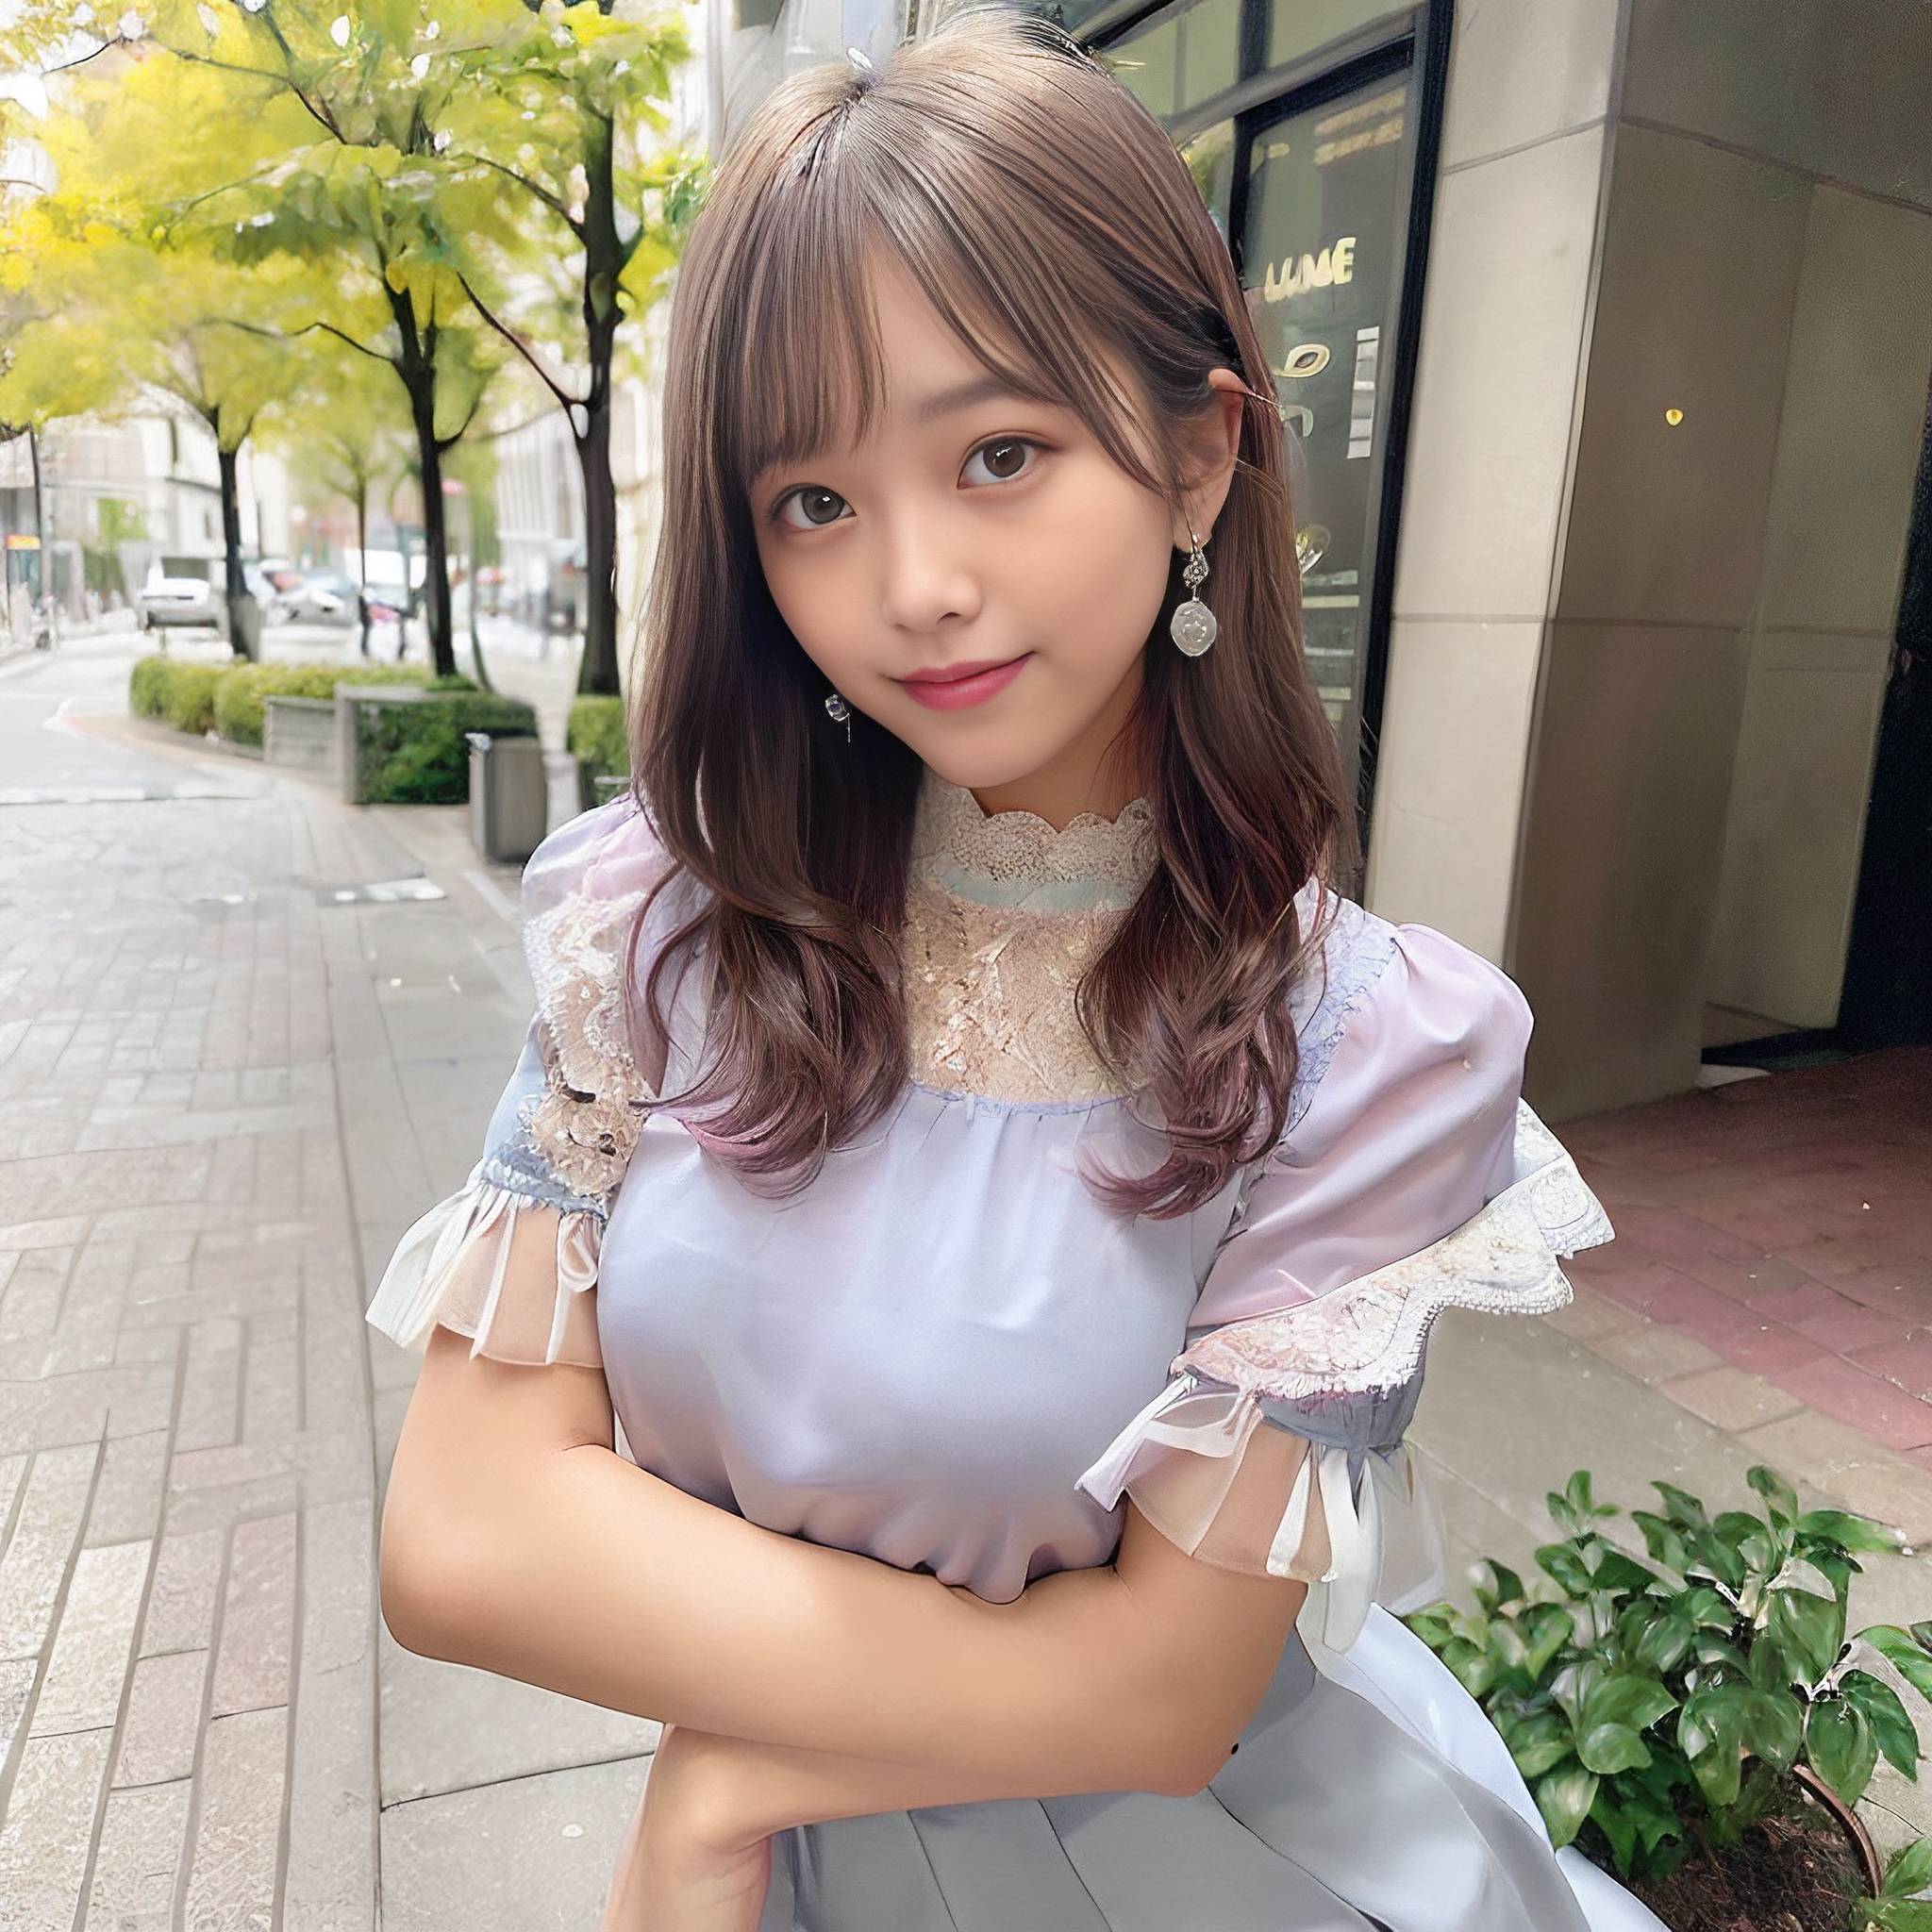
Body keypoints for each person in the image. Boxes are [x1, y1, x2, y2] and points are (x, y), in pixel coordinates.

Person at [365, 11, 1668, 1928]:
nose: (910, 585)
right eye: (814, 499)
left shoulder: (1364, 1049)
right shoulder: (657, 930)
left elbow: (1167, 1698)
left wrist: (734, 1766)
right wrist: (783, 1778)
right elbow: (462, 1537)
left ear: (1200, 457)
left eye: (998, 453)